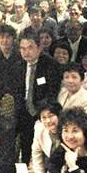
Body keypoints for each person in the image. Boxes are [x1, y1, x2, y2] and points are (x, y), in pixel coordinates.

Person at [11, 33, 61, 164]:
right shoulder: (18, 65)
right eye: (22, 48)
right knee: (25, 146)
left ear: (39, 48)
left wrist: (40, 113)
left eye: (30, 47)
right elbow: (16, 92)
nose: (26, 52)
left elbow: (52, 93)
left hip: (43, 113)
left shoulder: (51, 65)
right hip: (23, 112)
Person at [30, 102, 62, 173]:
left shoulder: (66, 129)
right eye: (43, 117)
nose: (48, 121)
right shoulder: (39, 129)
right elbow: (36, 152)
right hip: (48, 161)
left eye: (51, 116)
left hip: (65, 166)